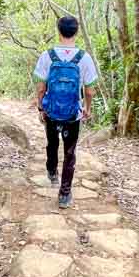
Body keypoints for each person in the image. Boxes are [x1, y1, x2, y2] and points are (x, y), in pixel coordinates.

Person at [33, 15, 98, 208]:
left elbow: (41, 87)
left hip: (51, 110)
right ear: (76, 31)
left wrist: (40, 106)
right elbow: (89, 90)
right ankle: (64, 194)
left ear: (59, 31)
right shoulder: (83, 58)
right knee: (70, 152)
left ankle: (52, 172)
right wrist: (87, 108)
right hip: (73, 113)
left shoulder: (48, 55)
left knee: (52, 143)